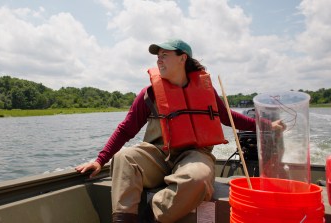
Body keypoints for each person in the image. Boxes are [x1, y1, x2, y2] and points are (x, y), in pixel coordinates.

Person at [76, 39, 284, 223]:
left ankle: (150, 217)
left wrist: (266, 125)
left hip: (194, 155)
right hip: (157, 155)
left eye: (165, 56)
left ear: (182, 58)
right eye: (158, 57)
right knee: (123, 158)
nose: (159, 61)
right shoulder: (149, 94)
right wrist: (100, 160)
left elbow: (229, 117)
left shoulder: (205, 91)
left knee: (197, 178)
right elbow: (126, 129)